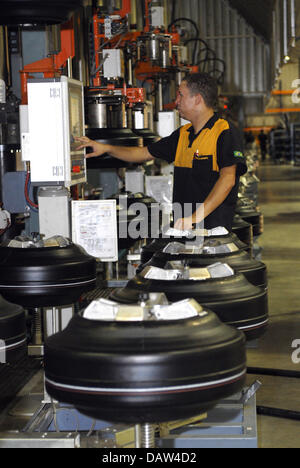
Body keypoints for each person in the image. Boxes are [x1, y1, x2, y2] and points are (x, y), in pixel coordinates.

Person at [76, 73, 247, 231]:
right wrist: (106, 148)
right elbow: (142, 153)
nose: (176, 101)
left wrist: (194, 218)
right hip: (185, 230)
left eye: (181, 94)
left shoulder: (224, 132)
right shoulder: (183, 134)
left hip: (212, 233)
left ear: (197, 99)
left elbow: (228, 180)